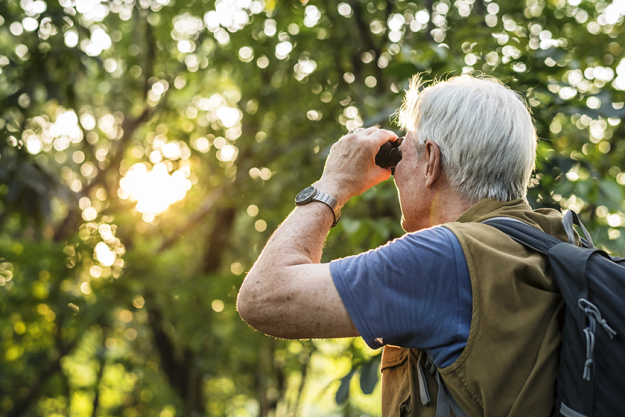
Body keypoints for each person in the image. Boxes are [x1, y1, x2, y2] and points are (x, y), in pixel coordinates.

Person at [237, 74, 568, 416]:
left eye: (399, 154)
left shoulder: (444, 258)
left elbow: (263, 297)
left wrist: (333, 183)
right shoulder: (554, 238)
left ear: (431, 161)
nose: (394, 172)